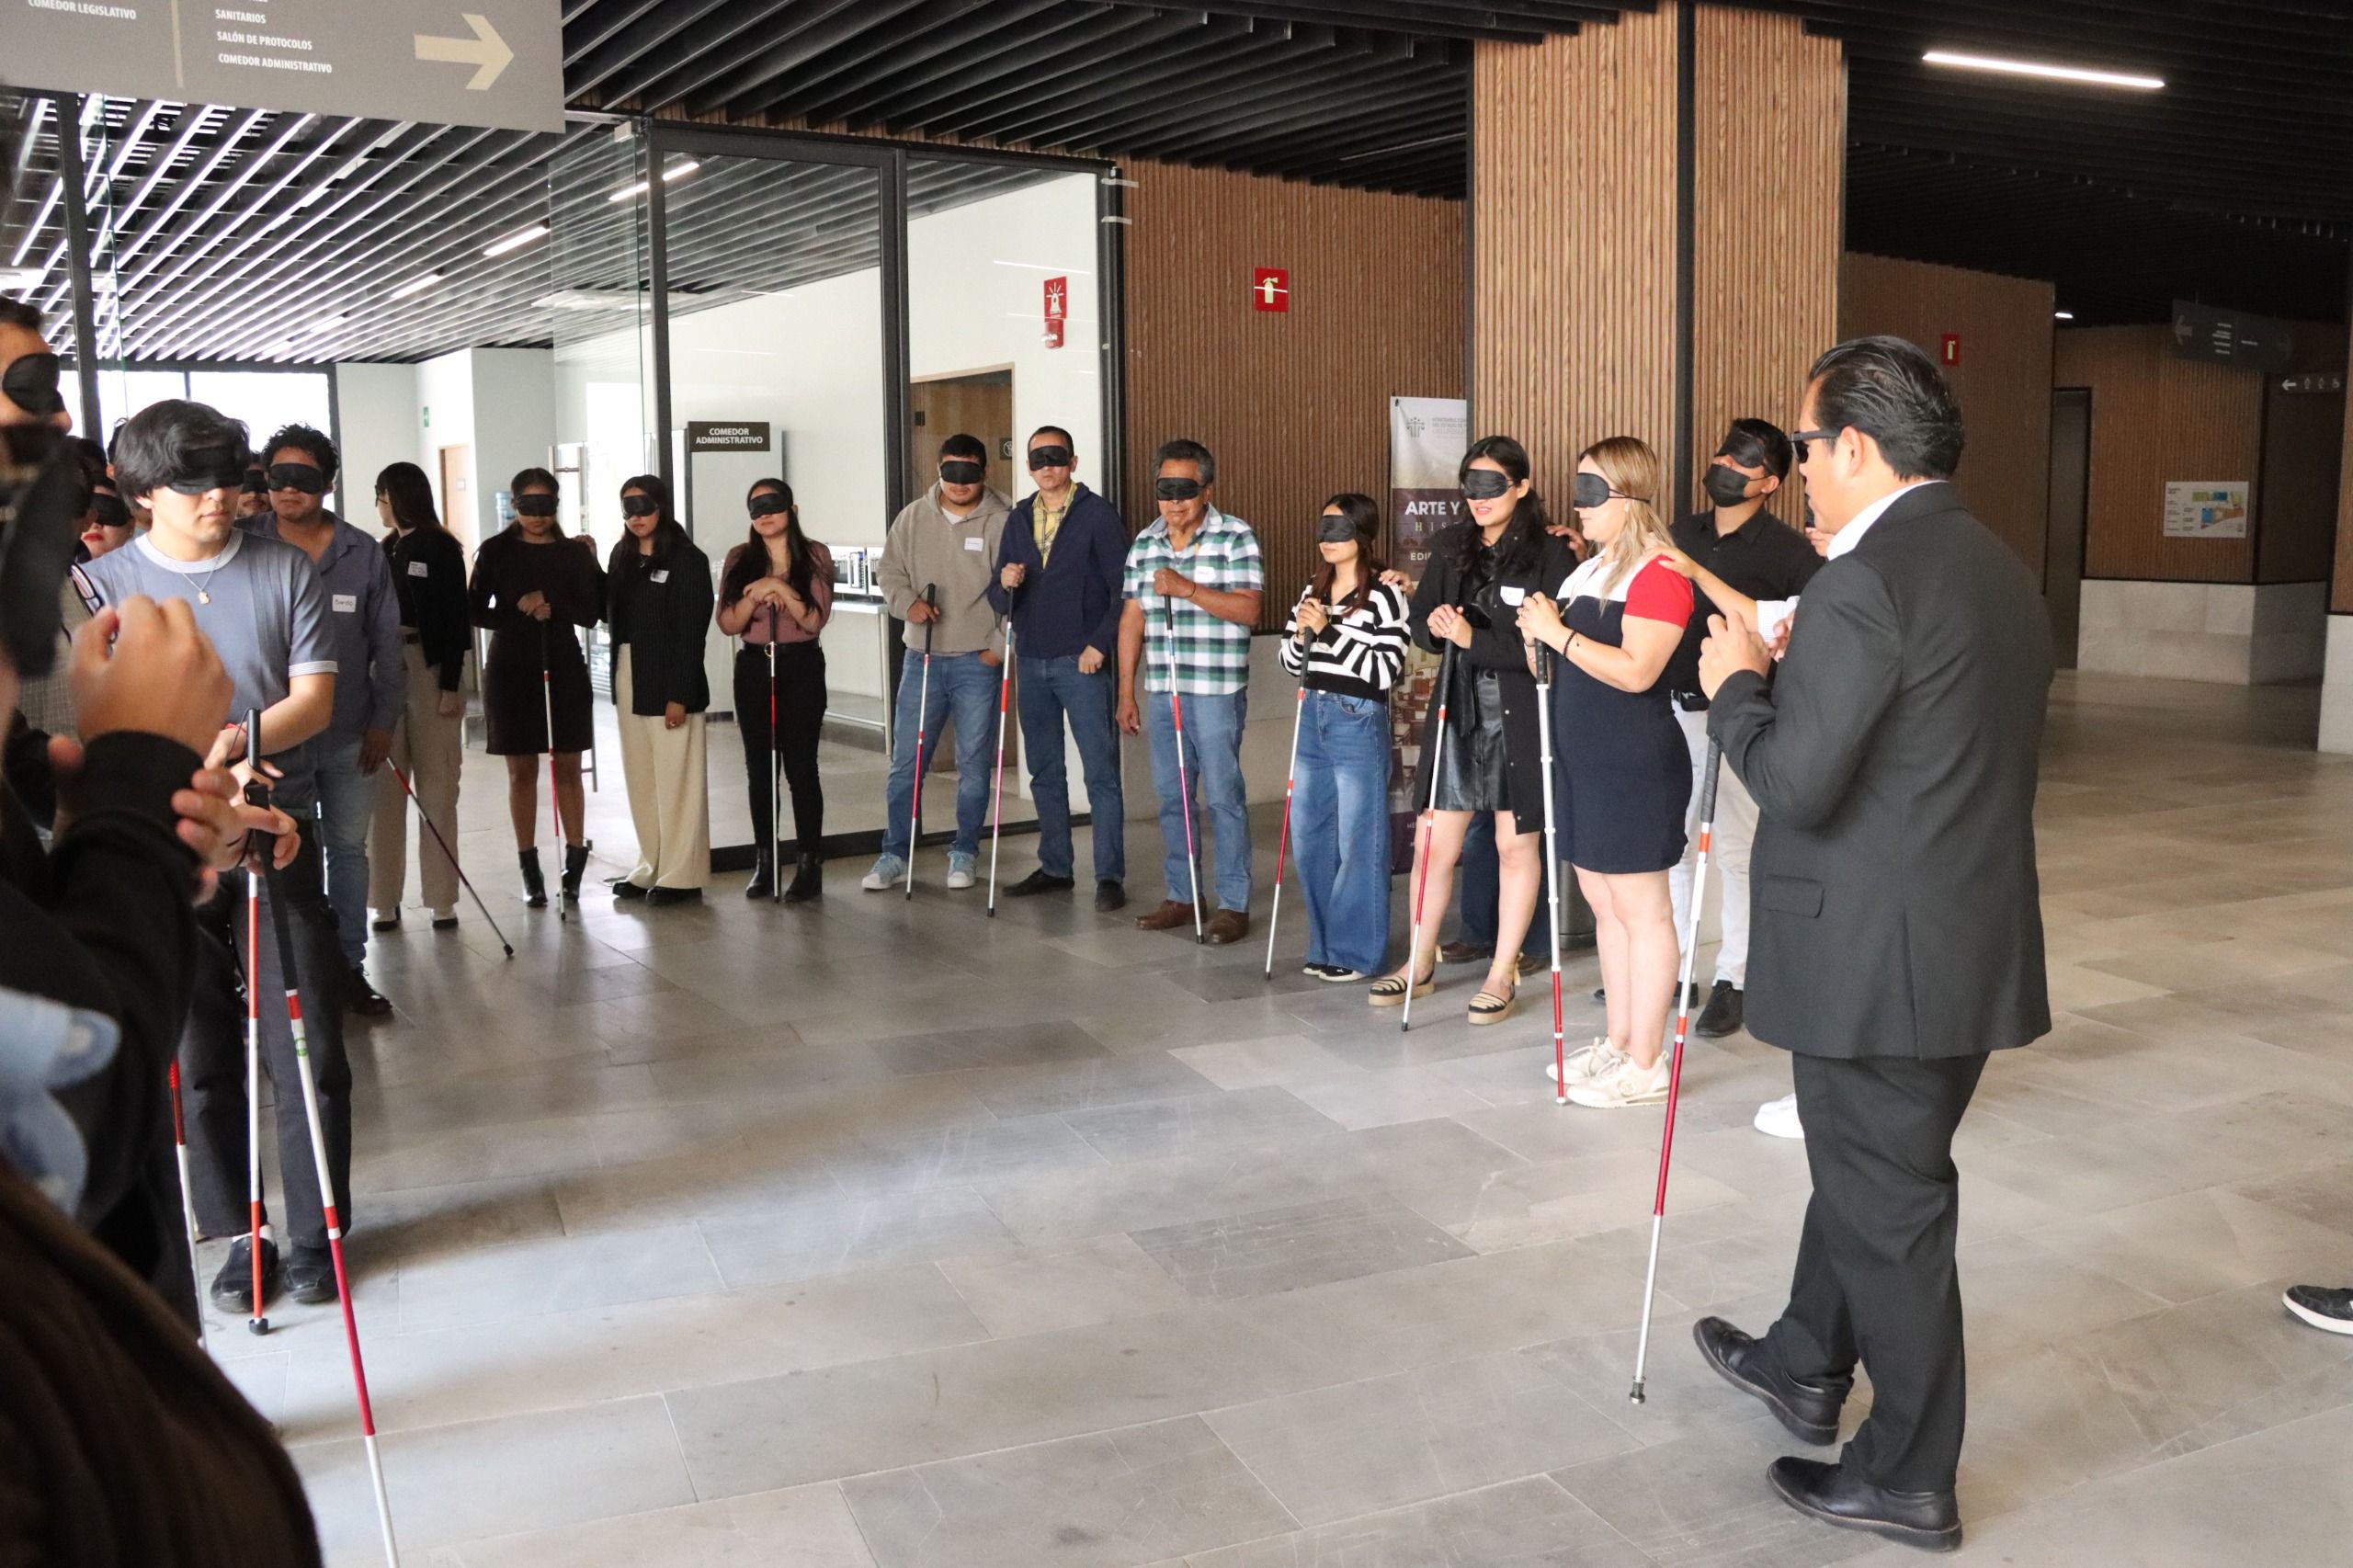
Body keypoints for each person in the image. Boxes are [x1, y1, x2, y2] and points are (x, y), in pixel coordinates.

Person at [1686, 335, 2052, 1553]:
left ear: (1853, 444)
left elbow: (1797, 782)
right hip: (1961, 942)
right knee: (1868, 1172)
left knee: (1891, 1211)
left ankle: (1906, 1474)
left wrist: (1739, 683)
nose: (1798, 468)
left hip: (1874, 957)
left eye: (1803, 444)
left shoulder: (1862, 581)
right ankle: (1803, 1357)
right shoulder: (1994, 565)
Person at [78, 398, 358, 1312]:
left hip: (276, 826)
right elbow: (93, 722)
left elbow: (313, 699)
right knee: (199, 1045)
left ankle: (318, 1229)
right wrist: (202, 767)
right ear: (143, 491)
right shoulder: (98, 587)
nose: (218, 499)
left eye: (228, 480)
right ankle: (242, 1231)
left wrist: (233, 741)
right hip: (167, 841)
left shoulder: (284, 568)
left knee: (305, 1037)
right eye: (193, 484)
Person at [1372, 435, 1574, 1019]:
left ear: (1522, 486)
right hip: (1456, 711)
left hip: (1518, 716)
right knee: (1433, 843)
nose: (1478, 498)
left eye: (1492, 486)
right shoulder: (1451, 545)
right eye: (1470, 487)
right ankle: (1419, 961)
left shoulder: (1550, 555)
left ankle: (1502, 971)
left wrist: (1472, 638)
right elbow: (1423, 623)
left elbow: (1548, 653)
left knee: (1515, 845)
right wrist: (1435, 626)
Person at [1520, 437, 1695, 1108]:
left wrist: (1558, 634)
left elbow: (1638, 671)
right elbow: (1561, 665)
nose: (1579, 505)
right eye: (1578, 489)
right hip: (1581, 760)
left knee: (1643, 912)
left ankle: (1648, 1061)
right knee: (1605, 908)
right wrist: (1536, 636)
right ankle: (1621, 1042)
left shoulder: (1659, 573)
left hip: (1633, 763)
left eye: (1592, 492)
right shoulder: (1583, 574)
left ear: (1629, 495)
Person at [1658, 421, 1824, 1046]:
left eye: (1742, 460)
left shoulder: (1790, 553)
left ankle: (1736, 976)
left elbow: (1794, 637)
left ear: (1771, 482)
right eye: (1723, 453)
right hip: (1670, 707)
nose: (1724, 464)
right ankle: (1676, 968)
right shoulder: (1682, 532)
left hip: (1736, 714)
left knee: (1735, 850)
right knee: (1673, 844)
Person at [242, 424, 404, 1016]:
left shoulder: (362, 553)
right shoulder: (245, 544)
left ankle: (348, 969)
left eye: (303, 479)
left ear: (328, 484)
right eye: (278, 477)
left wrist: (384, 721)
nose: (289, 490)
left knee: (348, 850)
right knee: (284, 851)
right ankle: (292, 975)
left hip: (348, 733)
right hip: (272, 740)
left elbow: (388, 646)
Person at [1119, 438, 1264, 944]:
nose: (1175, 501)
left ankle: (1233, 903)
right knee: (1172, 797)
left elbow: (1250, 610)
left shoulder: (1234, 537)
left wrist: (1188, 590)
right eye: (1166, 489)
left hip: (1217, 689)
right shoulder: (1145, 543)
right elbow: (1132, 618)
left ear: (1207, 490)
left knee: (1223, 796)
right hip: (1165, 689)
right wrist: (1126, 692)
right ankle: (1183, 896)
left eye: (1185, 490)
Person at [988, 426, 1128, 910]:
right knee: (1044, 770)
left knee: (1100, 772)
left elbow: (1123, 589)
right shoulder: (1018, 517)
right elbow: (998, 597)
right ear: (1028, 467)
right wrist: (1004, 581)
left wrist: (1099, 645)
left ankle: (1109, 875)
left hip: (1081, 662)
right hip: (1031, 659)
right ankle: (1055, 867)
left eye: (1056, 457)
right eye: (1038, 459)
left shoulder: (1097, 514)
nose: (1047, 466)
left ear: (1073, 461)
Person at [864, 434, 1011, 892]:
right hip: (922, 657)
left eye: (969, 473)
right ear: (938, 471)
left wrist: (998, 647)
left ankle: (964, 851)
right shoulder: (912, 517)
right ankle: (894, 853)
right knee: (906, 763)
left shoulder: (1006, 520)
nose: (959, 482)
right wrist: (907, 603)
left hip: (977, 662)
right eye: (950, 472)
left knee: (973, 764)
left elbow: (1019, 590)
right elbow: (889, 571)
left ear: (984, 473)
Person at [1279, 494, 1408, 980]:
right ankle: (1324, 944)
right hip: (1311, 712)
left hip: (1357, 716)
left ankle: (1355, 951)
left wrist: (1329, 632)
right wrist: (1301, 636)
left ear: (1361, 533)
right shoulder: (1312, 589)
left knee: (1359, 836)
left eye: (1338, 529)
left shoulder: (1384, 594)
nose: (1326, 539)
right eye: (1323, 528)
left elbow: (1385, 671)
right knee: (1310, 833)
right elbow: (1290, 663)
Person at [469, 468, 603, 907]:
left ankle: (575, 858)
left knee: (568, 764)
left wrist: (550, 601)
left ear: (557, 505)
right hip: (511, 664)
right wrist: (518, 609)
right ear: (514, 505)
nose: (538, 516)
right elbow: (475, 609)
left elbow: (591, 611)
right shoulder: (496, 551)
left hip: (563, 660)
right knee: (521, 770)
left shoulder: (573, 553)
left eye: (546, 506)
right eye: (528, 506)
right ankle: (528, 864)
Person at [715, 478, 833, 902]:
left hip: (800, 666)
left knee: (801, 768)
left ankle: (808, 864)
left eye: (772, 505)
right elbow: (728, 622)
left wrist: (780, 587)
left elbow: (813, 620)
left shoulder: (814, 555)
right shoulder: (739, 558)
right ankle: (765, 862)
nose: (764, 514)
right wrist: (755, 596)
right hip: (753, 666)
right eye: (756, 507)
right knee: (760, 768)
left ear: (792, 510)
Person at [368, 461, 471, 932]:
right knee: (385, 791)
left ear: (398, 498)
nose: (379, 507)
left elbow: (455, 620)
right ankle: (383, 899)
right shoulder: (382, 549)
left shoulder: (441, 547)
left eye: (382, 498)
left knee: (438, 788)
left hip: (429, 669)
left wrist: (451, 685)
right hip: (385, 667)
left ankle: (442, 899)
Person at [606, 474, 713, 904]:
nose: (636, 517)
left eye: (644, 507)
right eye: (628, 508)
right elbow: (609, 612)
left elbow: (692, 633)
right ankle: (651, 863)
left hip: (671, 676)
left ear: (662, 507)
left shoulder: (688, 559)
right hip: (630, 671)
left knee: (677, 779)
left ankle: (681, 874)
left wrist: (680, 694)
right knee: (642, 778)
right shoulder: (622, 556)